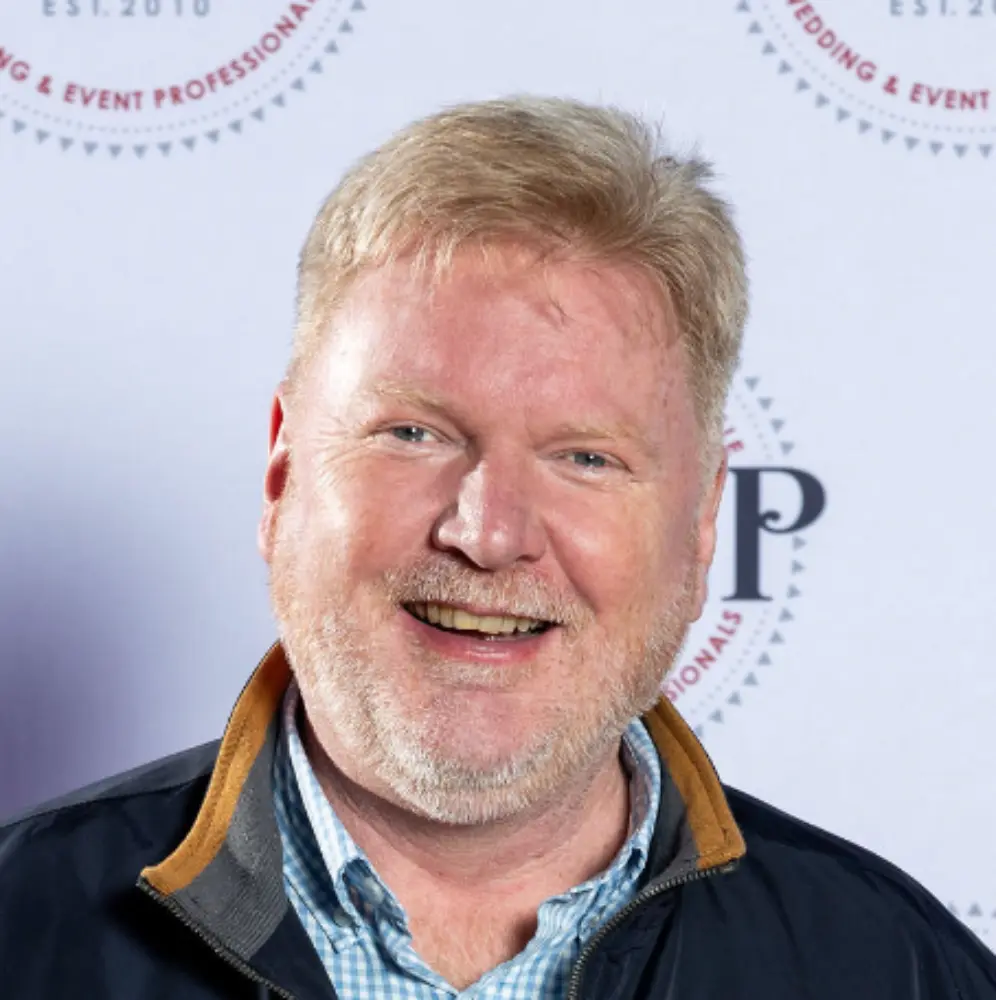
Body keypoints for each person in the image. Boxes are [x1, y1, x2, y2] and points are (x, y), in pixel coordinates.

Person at [1, 96, 993, 1000]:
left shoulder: (898, 970)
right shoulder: (19, 931)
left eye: (586, 457)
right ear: (283, 472)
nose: (487, 533)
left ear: (702, 527)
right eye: (414, 434)